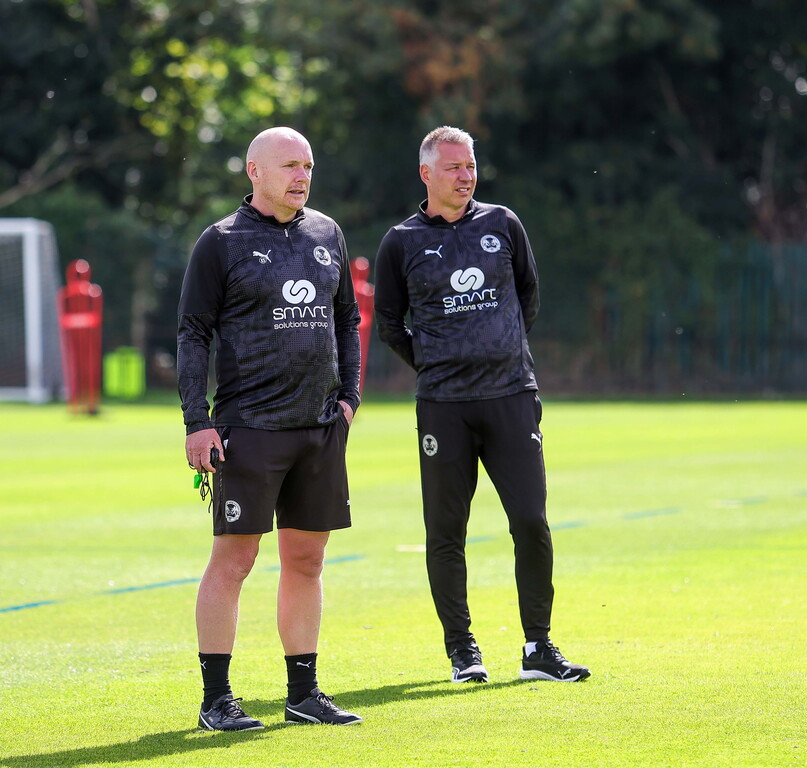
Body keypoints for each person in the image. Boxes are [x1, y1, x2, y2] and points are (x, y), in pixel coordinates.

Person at [373, 126, 590, 684]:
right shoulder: (402, 241)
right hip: (444, 406)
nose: (465, 175)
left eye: (470, 166)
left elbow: (528, 298)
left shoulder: (503, 224)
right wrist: (439, 363)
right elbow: (391, 325)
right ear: (426, 174)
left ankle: (539, 648)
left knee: (532, 522)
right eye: (453, 167)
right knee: (447, 531)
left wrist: (498, 353)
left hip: (511, 396)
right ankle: (462, 650)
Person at [177, 126, 363, 730]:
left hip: (318, 427)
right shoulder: (221, 243)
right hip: (248, 428)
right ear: (253, 171)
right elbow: (192, 334)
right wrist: (197, 422)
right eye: (289, 165)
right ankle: (216, 701)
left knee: (306, 560)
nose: (302, 176)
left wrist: (349, 398)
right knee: (234, 560)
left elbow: (346, 320)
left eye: (308, 165)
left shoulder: (326, 233)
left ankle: (303, 694)